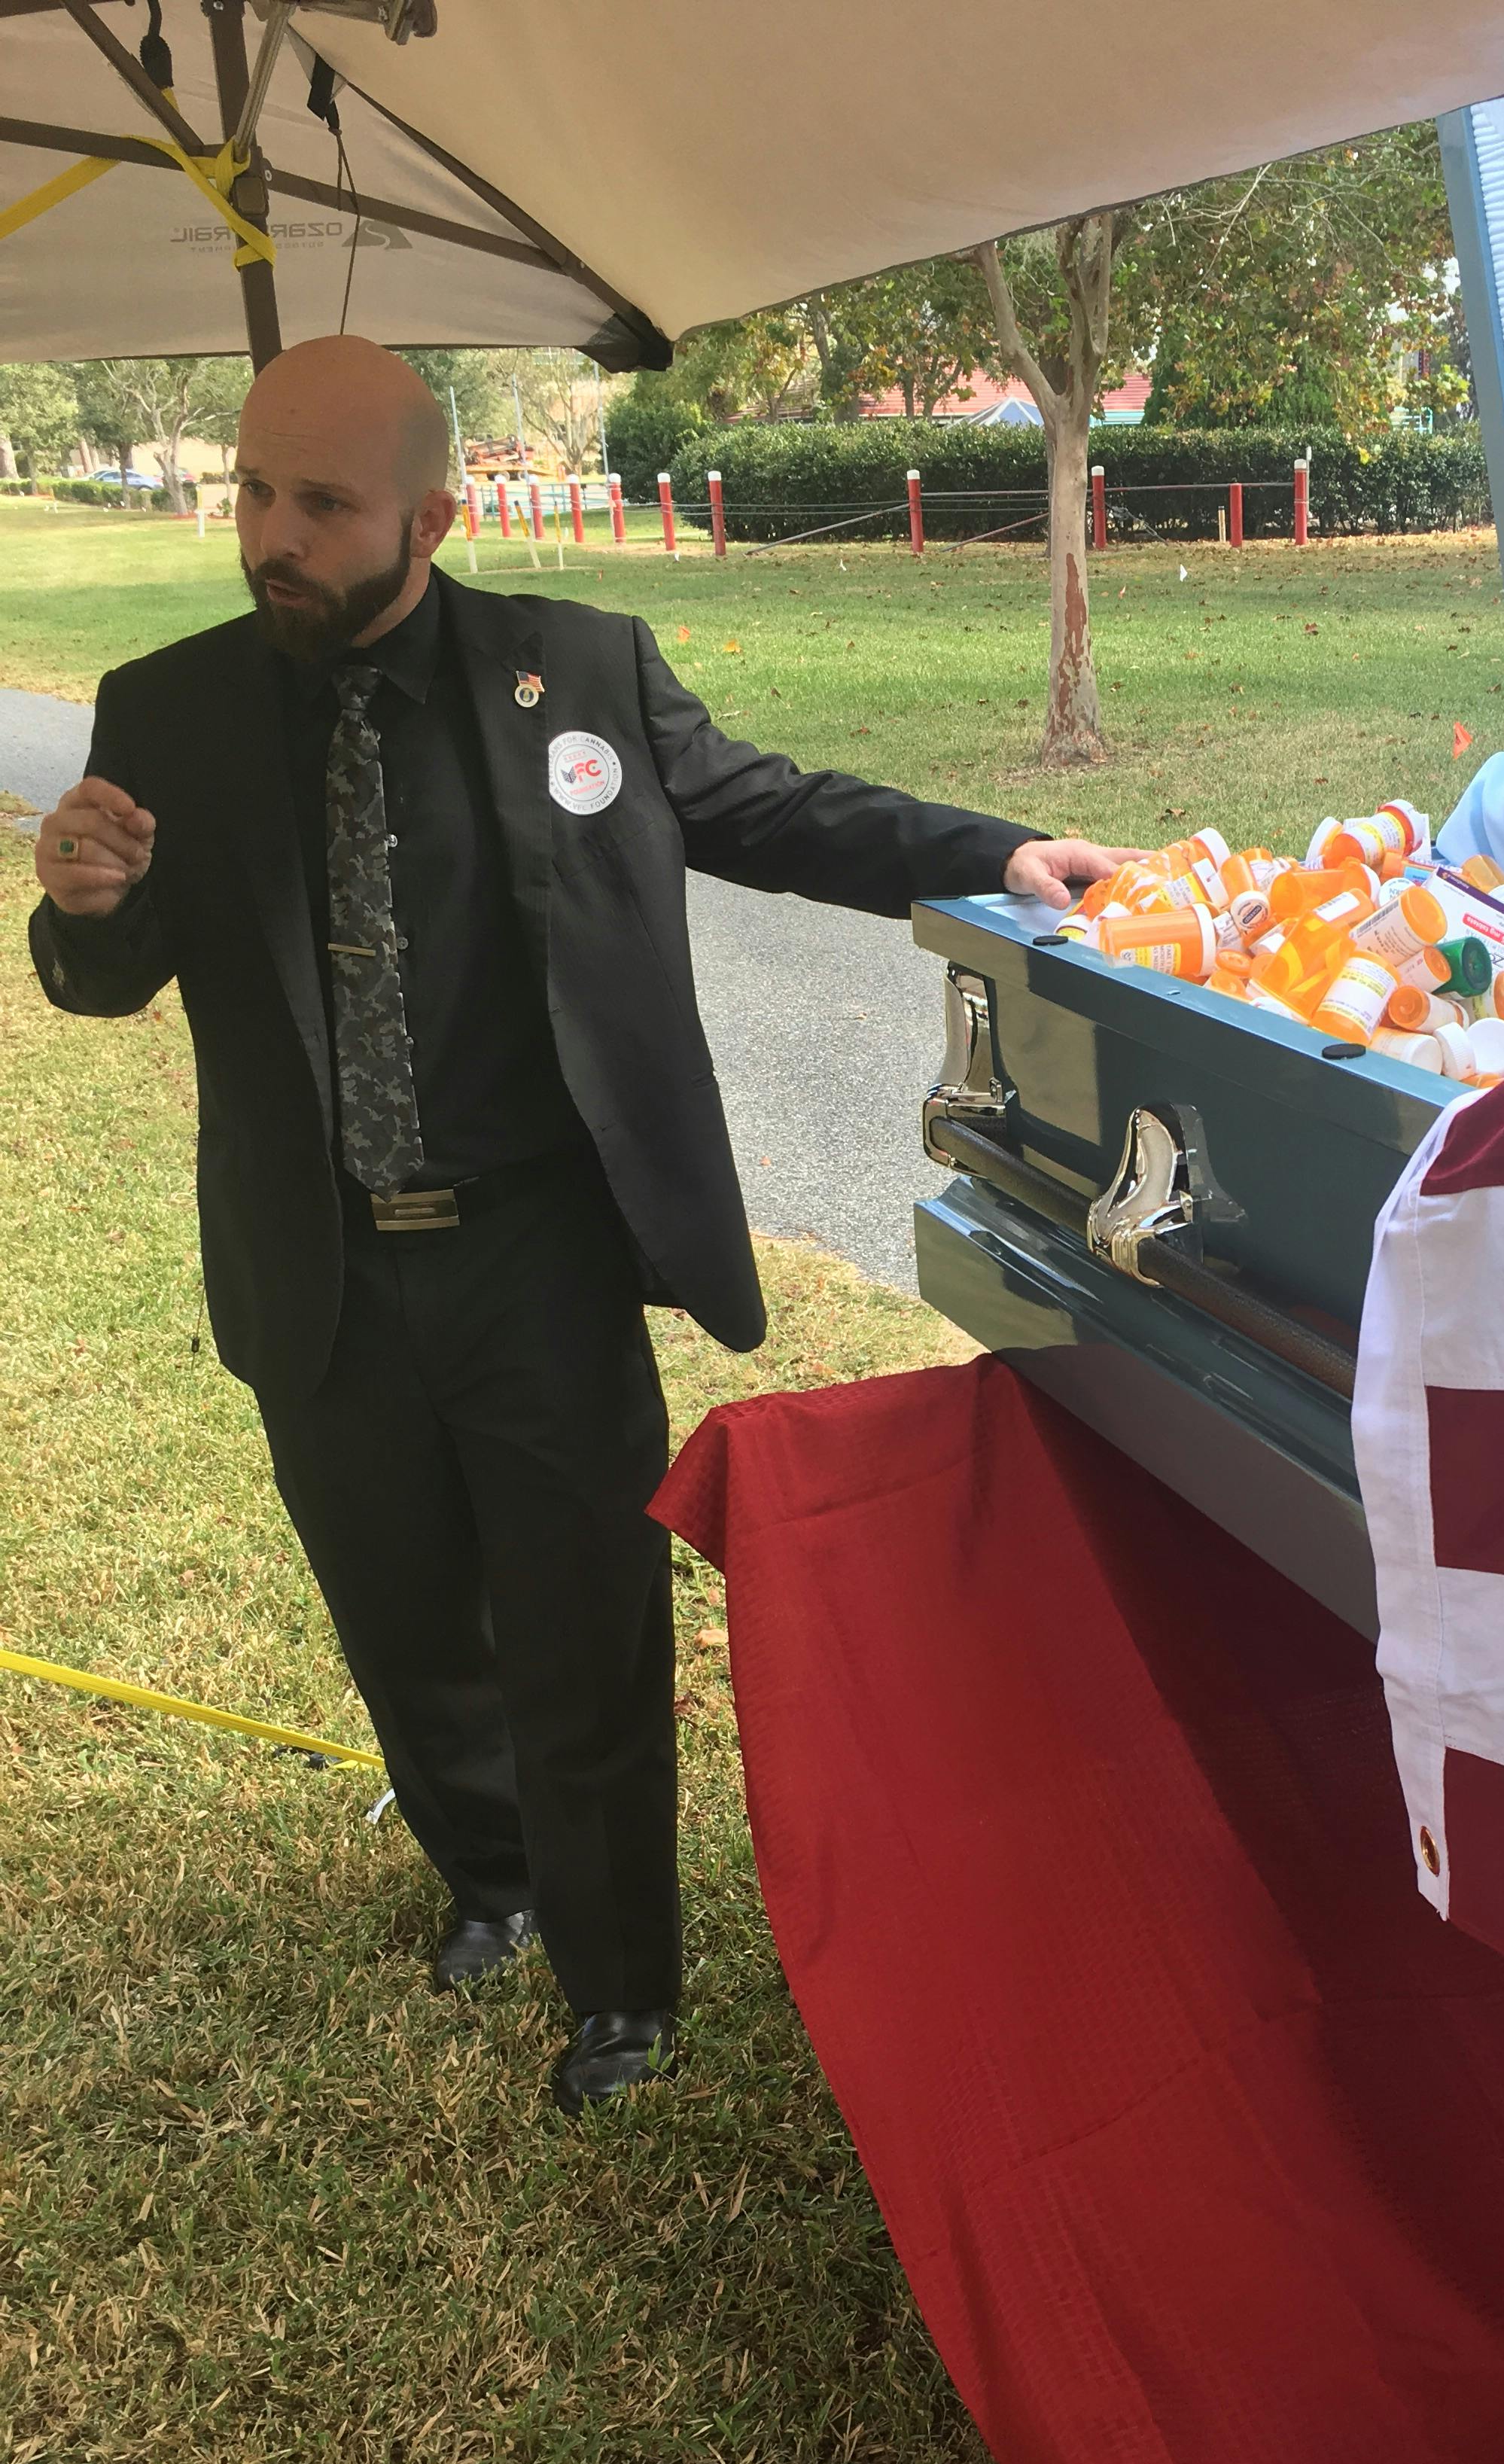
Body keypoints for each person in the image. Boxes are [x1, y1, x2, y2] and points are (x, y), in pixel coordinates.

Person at [29, 337, 1122, 2115]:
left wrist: (993, 853)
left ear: (433, 517)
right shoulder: (172, 706)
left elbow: (767, 809)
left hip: (535, 1257)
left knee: (582, 1618)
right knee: (398, 1610)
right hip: (316, 1264)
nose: (272, 537)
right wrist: (78, 903)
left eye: (322, 504)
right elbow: (109, 966)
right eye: (252, 491)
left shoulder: (575, 669)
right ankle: (494, 1876)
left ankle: (622, 1980)